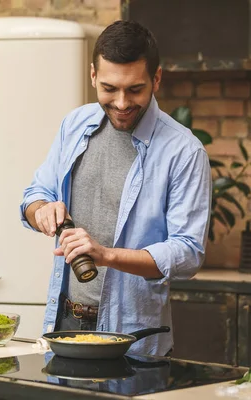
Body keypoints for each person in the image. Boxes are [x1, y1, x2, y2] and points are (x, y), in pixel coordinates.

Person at [20, 20, 211, 356]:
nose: (122, 103)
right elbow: (36, 194)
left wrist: (107, 256)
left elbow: (187, 253)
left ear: (156, 79)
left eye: (135, 89)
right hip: (64, 323)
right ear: (93, 75)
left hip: (133, 337)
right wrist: (42, 212)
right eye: (109, 88)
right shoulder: (75, 125)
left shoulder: (184, 151)